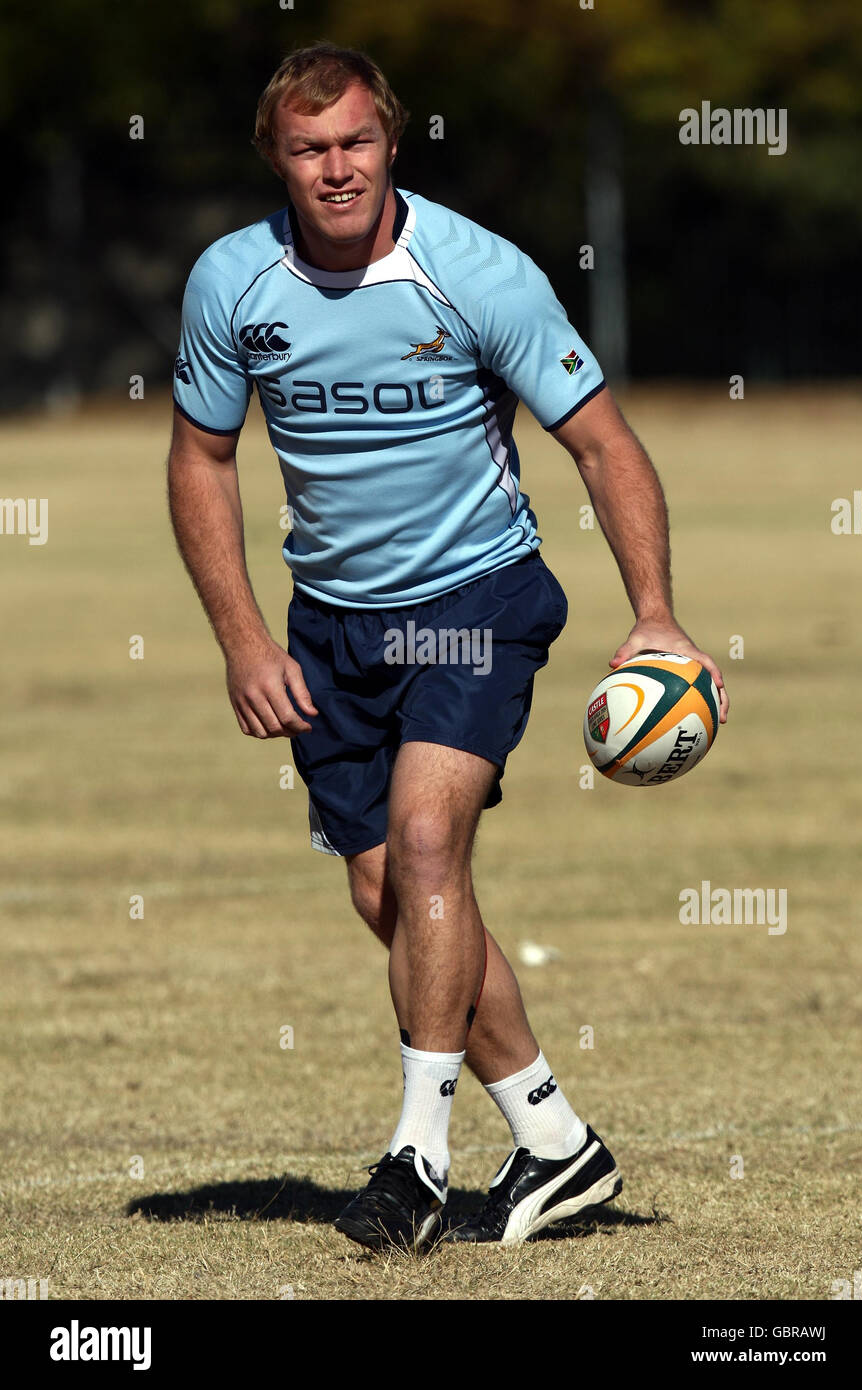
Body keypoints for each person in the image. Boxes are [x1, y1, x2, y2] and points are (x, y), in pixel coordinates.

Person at [167, 41, 728, 1251]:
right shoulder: (231, 283)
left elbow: (606, 445)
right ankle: (556, 1142)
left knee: (428, 847)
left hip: (476, 600)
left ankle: (415, 1159)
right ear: (277, 157)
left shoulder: (478, 273)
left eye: (356, 141)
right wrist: (245, 638)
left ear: (392, 142)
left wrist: (657, 612)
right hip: (331, 628)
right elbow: (201, 460)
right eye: (310, 148)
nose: (336, 169)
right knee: (400, 895)